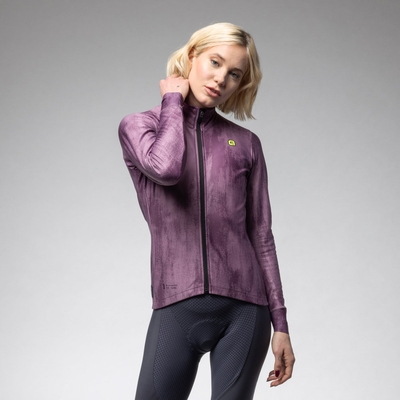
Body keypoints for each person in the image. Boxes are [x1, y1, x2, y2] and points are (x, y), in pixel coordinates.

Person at [119, 22, 295, 400]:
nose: (221, 79)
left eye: (234, 74)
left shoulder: (246, 144)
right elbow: (166, 168)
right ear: (191, 56)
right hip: (175, 303)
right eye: (215, 62)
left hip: (246, 310)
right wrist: (172, 101)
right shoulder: (139, 126)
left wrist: (280, 323)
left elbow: (261, 234)